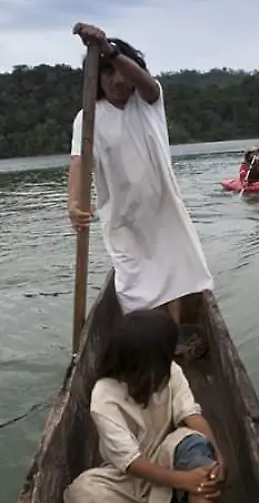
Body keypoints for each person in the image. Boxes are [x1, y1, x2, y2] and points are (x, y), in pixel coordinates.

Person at [63, 309, 226, 503]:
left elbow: (191, 415)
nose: (171, 359)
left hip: (169, 465)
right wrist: (184, 481)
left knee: (193, 445)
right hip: (130, 481)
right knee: (80, 495)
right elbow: (132, 463)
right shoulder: (105, 395)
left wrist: (219, 453)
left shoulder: (170, 373)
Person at [68, 23, 215, 356]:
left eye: (121, 73)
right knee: (134, 284)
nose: (118, 82)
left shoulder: (149, 100)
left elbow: (144, 82)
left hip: (163, 207)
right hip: (122, 216)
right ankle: (149, 343)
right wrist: (73, 204)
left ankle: (173, 336)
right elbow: (79, 162)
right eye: (107, 75)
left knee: (175, 270)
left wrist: (107, 48)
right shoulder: (88, 118)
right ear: (98, 80)